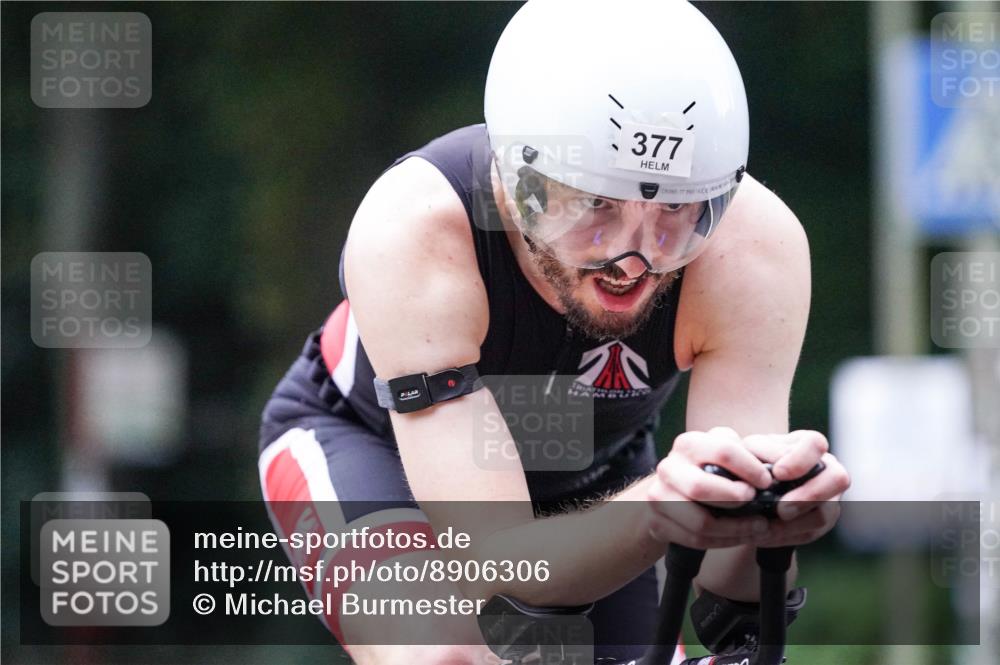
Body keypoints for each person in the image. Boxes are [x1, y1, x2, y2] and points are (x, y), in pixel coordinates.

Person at [258, 1, 851, 663]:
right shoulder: (416, 228)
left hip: (598, 471)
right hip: (372, 445)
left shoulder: (752, 248)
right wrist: (657, 505)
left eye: (677, 213)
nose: (636, 259)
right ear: (515, 181)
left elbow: (732, 609)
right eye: (595, 205)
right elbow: (500, 578)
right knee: (448, 652)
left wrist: (768, 519)